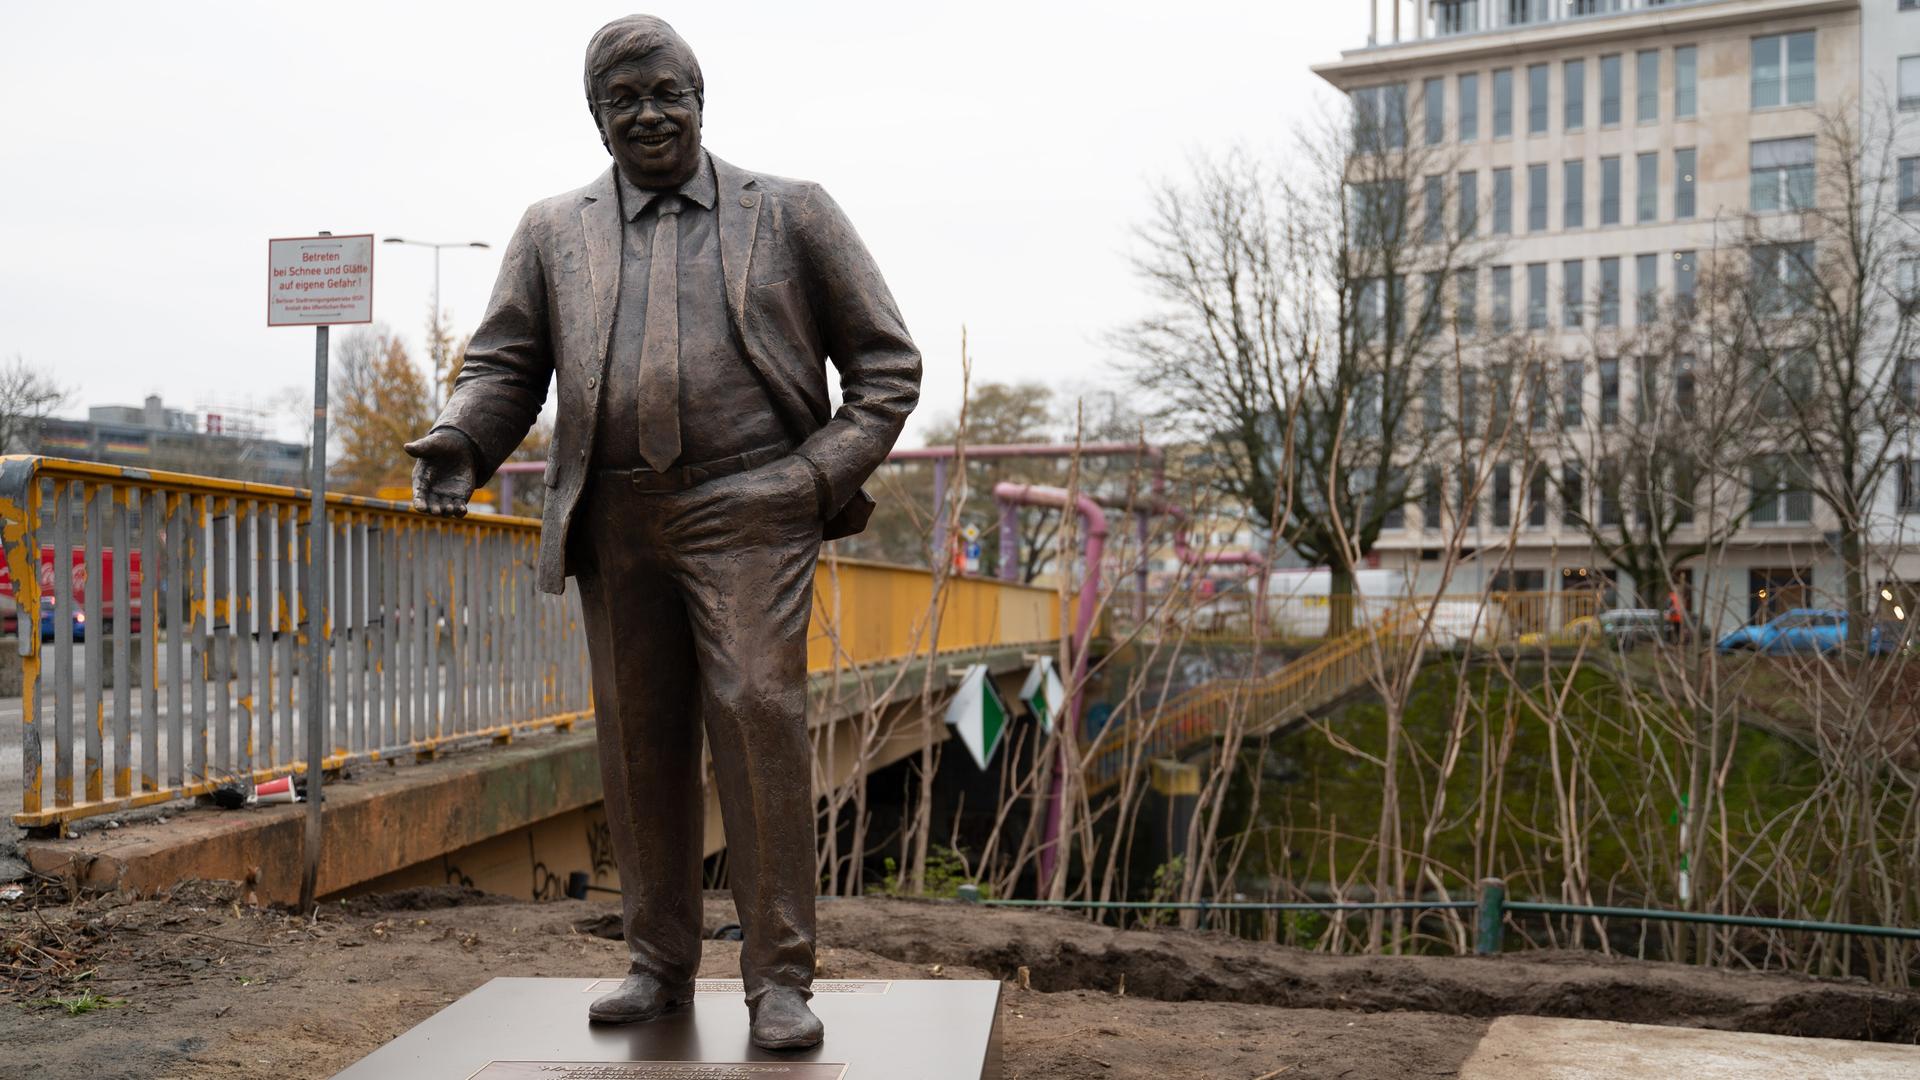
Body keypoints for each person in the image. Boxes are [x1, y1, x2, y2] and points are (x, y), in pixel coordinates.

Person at [403, 14, 920, 1051]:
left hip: (752, 510)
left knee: (757, 712)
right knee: (640, 745)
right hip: (616, 519)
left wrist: (804, 482)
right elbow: (507, 364)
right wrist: (464, 439)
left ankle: (778, 978)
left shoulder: (793, 212)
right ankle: (657, 962)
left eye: (666, 93)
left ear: (700, 96)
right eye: (623, 100)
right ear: (595, 117)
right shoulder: (553, 230)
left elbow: (887, 370)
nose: (648, 114)